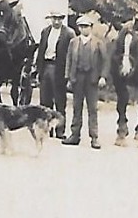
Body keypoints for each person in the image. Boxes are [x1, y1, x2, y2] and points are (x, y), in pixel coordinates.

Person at [63, 16, 107, 150]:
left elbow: (105, 61)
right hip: (78, 78)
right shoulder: (74, 42)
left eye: (86, 26)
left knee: (92, 109)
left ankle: (94, 137)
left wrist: (103, 77)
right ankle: (75, 135)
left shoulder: (98, 43)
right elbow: (69, 60)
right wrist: (69, 78)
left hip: (92, 79)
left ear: (91, 27)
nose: (84, 29)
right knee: (77, 107)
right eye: (81, 27)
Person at [35, 9, 74, 139]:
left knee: (60, 101)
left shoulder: (69, 33)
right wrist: (37, 69)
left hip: (59, 69)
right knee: (45, 101)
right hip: (46, 66)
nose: (56, 21)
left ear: (62, 19)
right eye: (54, 18)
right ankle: (46, 129)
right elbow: (41, 50)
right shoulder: (45, 32)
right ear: (50, 18)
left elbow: (71, 54)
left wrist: (68, 74)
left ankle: (60, 131)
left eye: (59, 18)